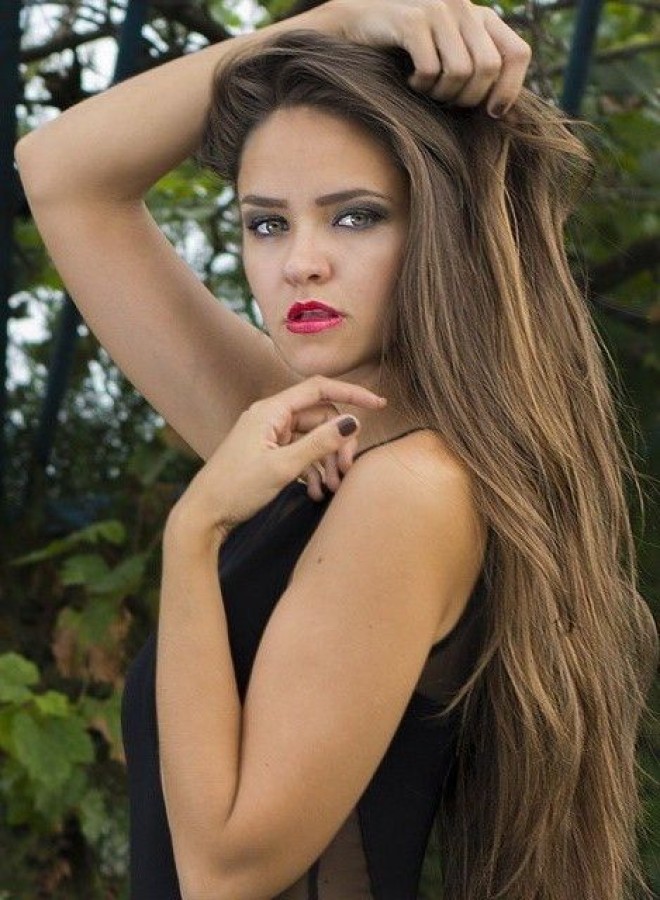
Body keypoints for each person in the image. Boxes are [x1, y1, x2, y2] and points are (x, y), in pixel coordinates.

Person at [15, 1, 658, 898]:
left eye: (355, 217)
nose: (300, 263)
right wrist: (341, 22)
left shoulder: (411, 491)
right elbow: (59, 172)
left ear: (446, 231)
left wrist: (194, 532)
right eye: (267, 223)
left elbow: (225, 871)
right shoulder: (316, 437)